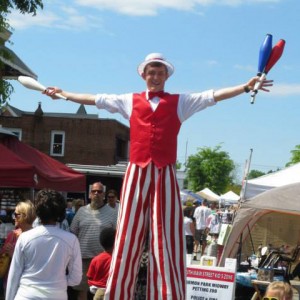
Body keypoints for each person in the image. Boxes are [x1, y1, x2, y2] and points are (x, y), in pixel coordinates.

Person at [44, 52, 273, 299]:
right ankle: (119, 293)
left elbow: (213, 96)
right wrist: (64, 94)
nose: (155, 76)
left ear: (166, 76)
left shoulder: (180, 102)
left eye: (160, 72)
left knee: (167, 235)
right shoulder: (128, 100)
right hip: (137, 170)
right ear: (143, 75)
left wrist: (245, 86)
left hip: (164, 172)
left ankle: (167, 294)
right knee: (127, 234)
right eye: (151, 72)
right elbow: (94, 99)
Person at [5, 189, 82, 300]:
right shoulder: (71, 240)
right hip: (57, 295)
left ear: (38, 211)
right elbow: (76, 279)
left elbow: (14, 275)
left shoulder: (25, 238)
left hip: (26, 295)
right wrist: (59, 281)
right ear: (61, 212)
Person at [70, 182, 118, 300]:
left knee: (102, 293)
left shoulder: (113, 213)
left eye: (99, 191)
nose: (96, 193)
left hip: (104, 261)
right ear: (90, 194)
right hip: (83, 258)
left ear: (104, 195)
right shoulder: (81, 211)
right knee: (82, 291)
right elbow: (72, 233)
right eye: (94, 191)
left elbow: (117, 236)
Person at [0, 200, 36, 293]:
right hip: (9, 280)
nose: (13, 217)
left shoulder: (36, 237)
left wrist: (14, 255)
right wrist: (4, 251)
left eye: (15, 214)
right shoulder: (12, 235)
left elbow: (35, 263)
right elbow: (2, 255)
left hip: (26, 284)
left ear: (24, 216)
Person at [87, 227, 116, 300]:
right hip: (113, 291)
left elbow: (90, 276)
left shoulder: (96, 259)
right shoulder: (118, 260)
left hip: (98, 293)